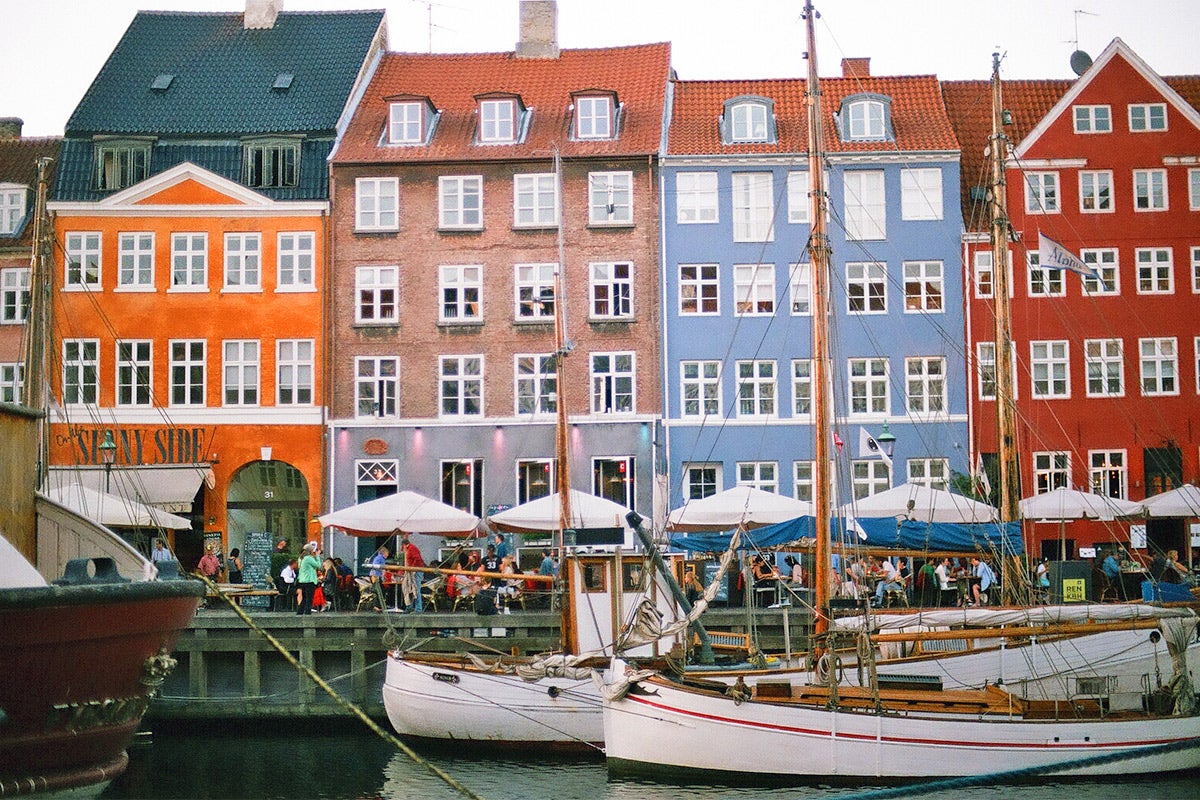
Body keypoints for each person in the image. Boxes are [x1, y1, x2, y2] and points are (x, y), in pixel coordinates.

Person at [400, 533, 426, 613]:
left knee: (416, 589)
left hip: (416, 571)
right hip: (410, 571)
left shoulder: (412, 548)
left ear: (404, 545)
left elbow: (417, 559)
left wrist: (412, 568)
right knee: (408, 589)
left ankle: (418, 609)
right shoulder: (408, 549)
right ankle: (409, 606)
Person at [296, 541, 321, 615]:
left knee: (304, 598)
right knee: (309, 599)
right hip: (309, 581)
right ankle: (307, 613)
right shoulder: (308, 558)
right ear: (310, 551)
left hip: (302, 581)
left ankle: (299, 613)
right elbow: (318, 565)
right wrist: (317, 556)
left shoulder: (300, 558)